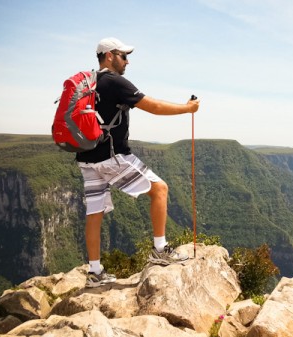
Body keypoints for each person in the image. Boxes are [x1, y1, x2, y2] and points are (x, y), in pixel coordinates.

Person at [77, 37, 200, 288]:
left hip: (86, 157)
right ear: (109, 55)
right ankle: (160, 250)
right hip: (113, 156)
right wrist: (187, 108)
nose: (127, 61)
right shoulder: (114, 81)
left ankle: (95, 272)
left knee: (95, 213)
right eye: (123, 55)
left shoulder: (89, 82)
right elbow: (152, 106)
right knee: (160, 189)